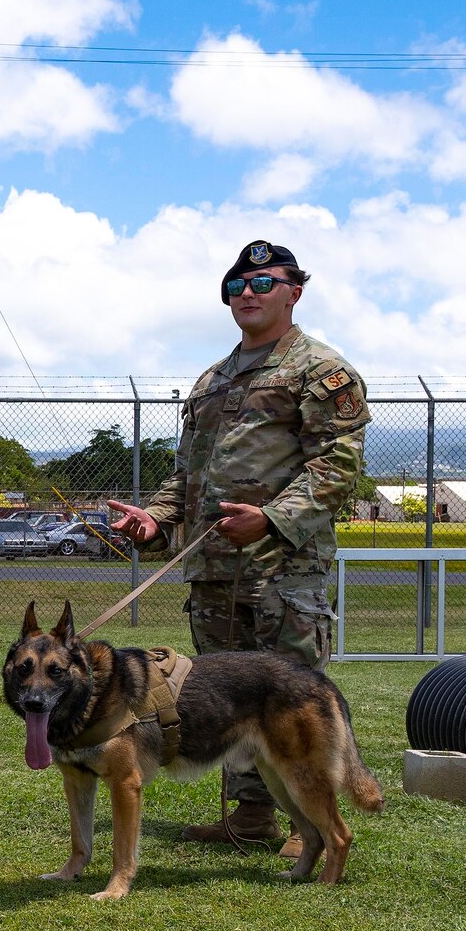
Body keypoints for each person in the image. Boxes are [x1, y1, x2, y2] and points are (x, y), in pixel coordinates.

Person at [109, 240, 369, 856]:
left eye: (263, 283)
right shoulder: (211, 381)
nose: (246, 294)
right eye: (235, 286)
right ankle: (251, 818)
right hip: (214, 573)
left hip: (283, 571)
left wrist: (274, 519)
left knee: (288, 700)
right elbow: (188, 477)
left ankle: (309, 818)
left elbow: (337, 466)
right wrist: (155, 519)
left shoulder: (320, 372)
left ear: (294, 292)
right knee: (225, 701)